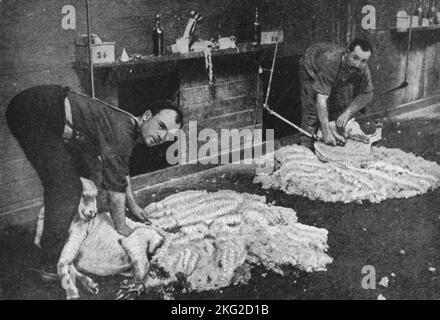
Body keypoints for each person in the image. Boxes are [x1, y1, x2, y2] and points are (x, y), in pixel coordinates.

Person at [6, 85, 183, 280]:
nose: (163, 136)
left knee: (83, 173)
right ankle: (49, 264)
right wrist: (122, 227)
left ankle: (67, 234)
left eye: (169, 135)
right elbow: (115, 193)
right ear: (148, 116)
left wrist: (132, 204)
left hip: (49, 109)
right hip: (31, 111)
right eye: (161, 126)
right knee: (66, 188)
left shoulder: (130, 127)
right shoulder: (122, 131)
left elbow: (120, 170)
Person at [299, 39, 375, 149]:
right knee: (312, 112)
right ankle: (306, 147)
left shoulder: (362, 67)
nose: (358, 64)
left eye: (363, 61)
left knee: (340, 107)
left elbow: (367, 93)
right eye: (355, 58)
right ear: (346, 53)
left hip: (334, 72)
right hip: (312, 65)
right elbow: (321, 99)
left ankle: (331, 135)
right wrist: (326, 132)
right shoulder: (331, 63)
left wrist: (347, 113)